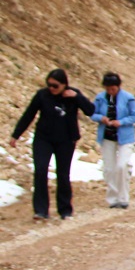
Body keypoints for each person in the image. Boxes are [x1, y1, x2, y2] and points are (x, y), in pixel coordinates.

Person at [9, 69, 95, 220]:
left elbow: (90, 110)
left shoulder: (73, 95)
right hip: (44, 139)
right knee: (40, 171)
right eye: (49, 84)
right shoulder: (42, 95)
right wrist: (16, 135)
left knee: (62, 174)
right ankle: (41, 210)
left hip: (66, 141)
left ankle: (65, 210)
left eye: (55, 85)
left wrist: (77, 97)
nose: (51, 88)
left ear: (64, 85)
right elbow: (29, 115)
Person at [91, 73, 135, 210]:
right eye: (108, 88)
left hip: (125, 137)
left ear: (118, 87)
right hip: (107, 136)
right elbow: (92, 113)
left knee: (121, 166)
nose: (110, 91)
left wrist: (121, 122)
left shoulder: (128, 98)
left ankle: (124, 198)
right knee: (109, 168)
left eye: (112, 88)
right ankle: (113, 198)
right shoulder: (100, 98)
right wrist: (101, 118)